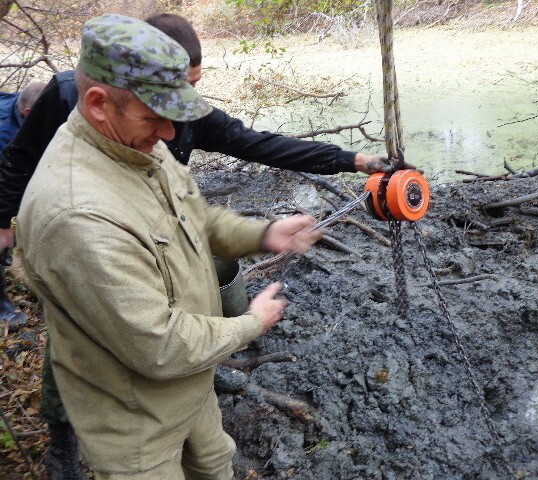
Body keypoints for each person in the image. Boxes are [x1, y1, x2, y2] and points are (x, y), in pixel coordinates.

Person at [0, 13, 407, 480]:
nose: (171, 135)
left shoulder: (135, 142)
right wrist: (251, 324)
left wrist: (260, 234)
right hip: (138, 423)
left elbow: (190, 213)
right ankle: (62, 444)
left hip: (191, 391)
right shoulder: (77, 216)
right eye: (157, 117)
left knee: (215, 465)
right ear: (97, 104)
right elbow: (160, 345)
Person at [0, 81, 45, 329]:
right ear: (28, 112)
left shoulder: (28, 102)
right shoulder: (6, 135)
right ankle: (2, 308)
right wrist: (4, 226)